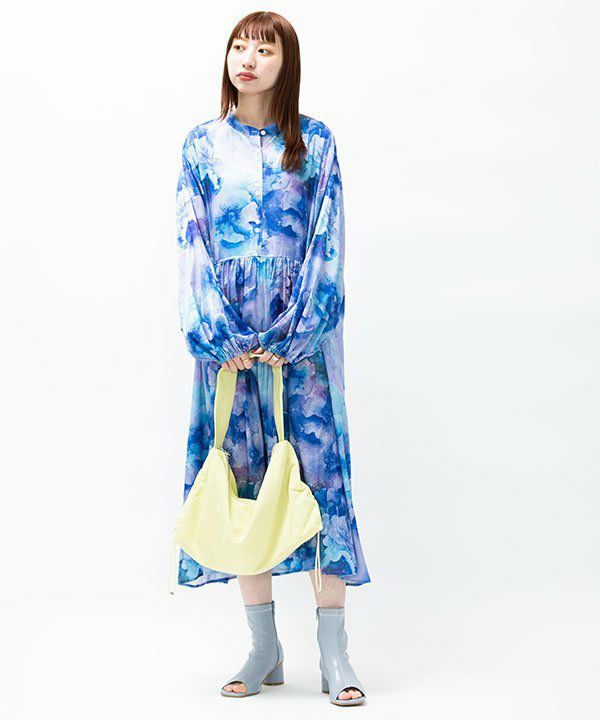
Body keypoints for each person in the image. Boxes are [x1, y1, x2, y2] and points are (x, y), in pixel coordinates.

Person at [174, 10, 371, 706]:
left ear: (287, 63)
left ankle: (334, 651)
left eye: (264, 48)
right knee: (241, 486)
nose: (248, 58)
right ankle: (263, 646)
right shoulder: (202, 146)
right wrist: (219, 334)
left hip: (303, 345)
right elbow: (192, 243)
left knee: (320, 485)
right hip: (229, 349)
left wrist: (298, 329)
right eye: (239, 46)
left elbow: (327, 241)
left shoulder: (316, 143)